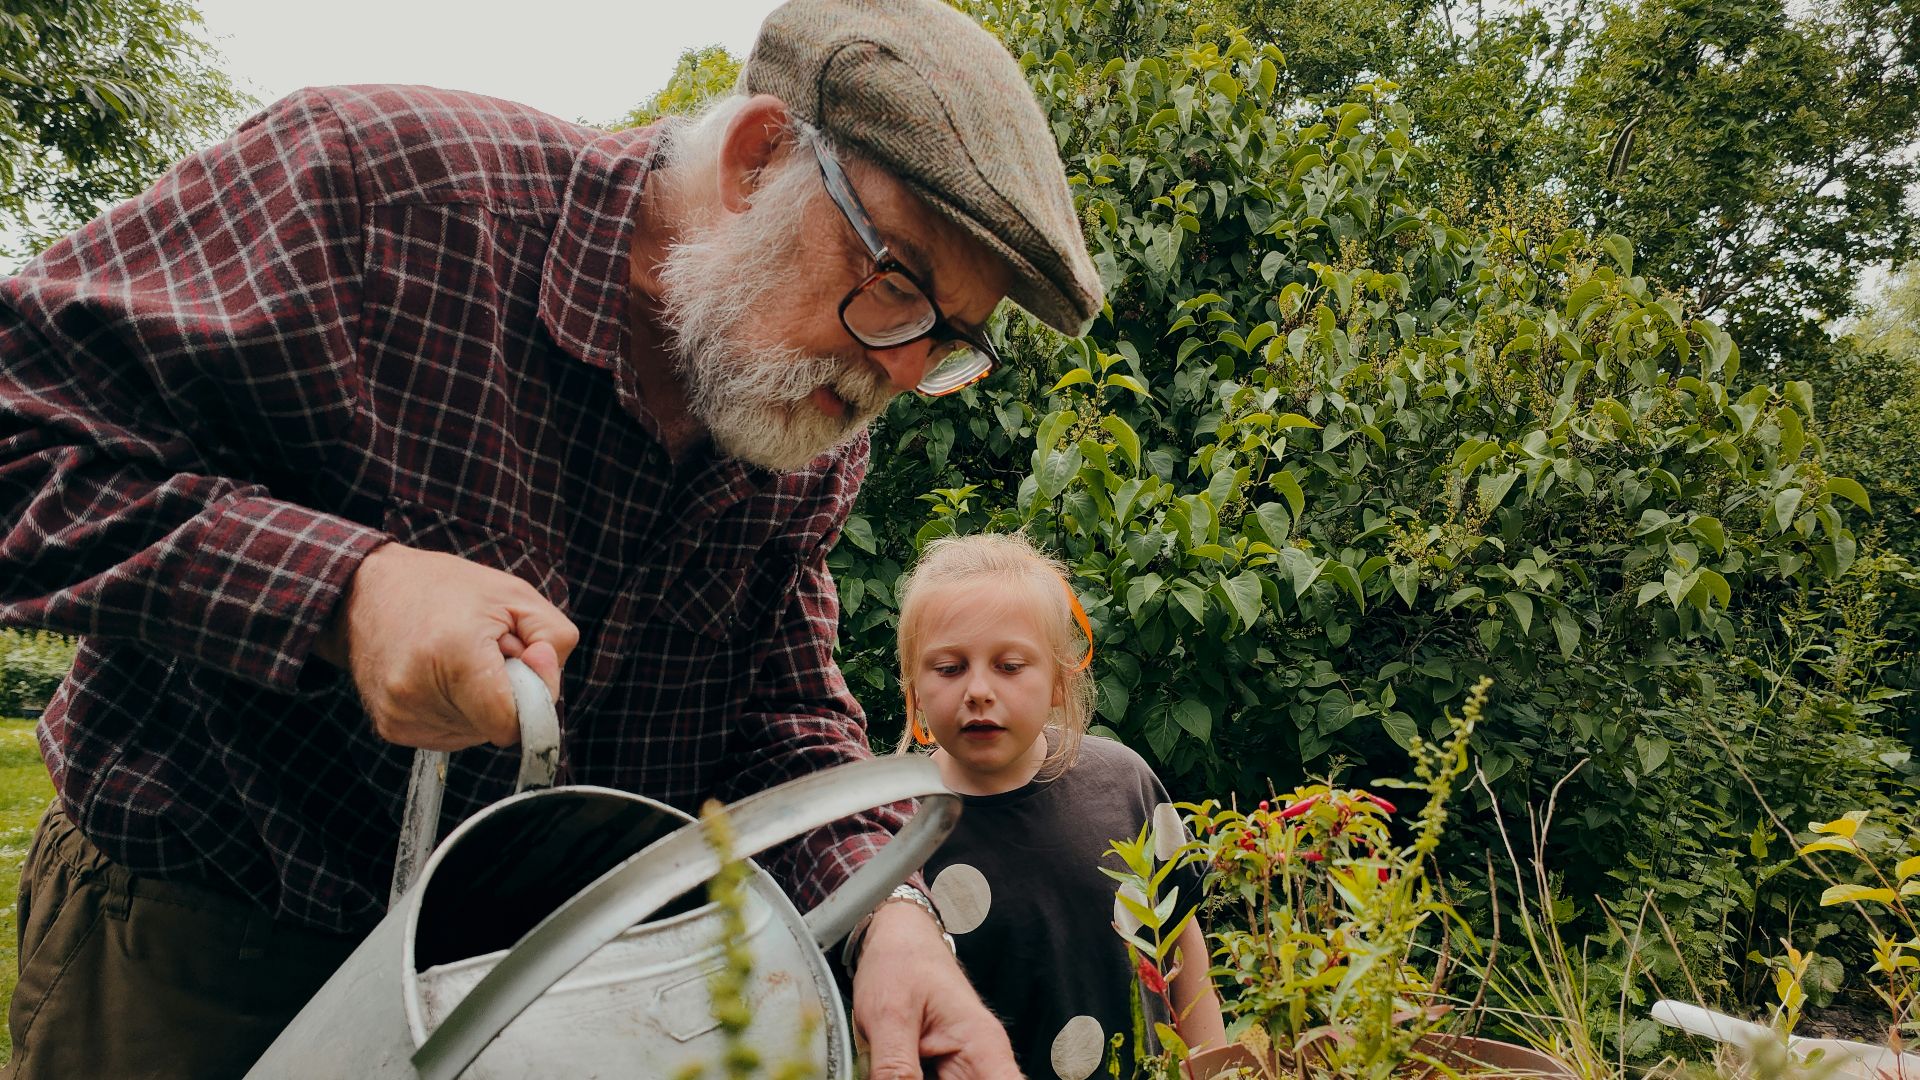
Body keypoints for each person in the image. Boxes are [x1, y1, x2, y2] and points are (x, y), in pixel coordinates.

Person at [0, 0, 1108, 1074]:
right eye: (901, 285)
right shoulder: (381, 195)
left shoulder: (801, 416)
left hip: (537, 991)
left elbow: (778, 713)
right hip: (199, 949)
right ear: (759, 161)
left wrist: (888, 917)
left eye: (950, 338)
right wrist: (348, 592)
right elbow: (24, 434)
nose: (905, 371)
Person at [891, 533, 1227, 1080]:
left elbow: (1182, 950)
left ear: (1057, 681)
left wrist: (1216, 1070)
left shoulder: (1122, 783)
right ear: (914, 687)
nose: (978, 690)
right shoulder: (891, 823)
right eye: (949, 668)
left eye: (1009, 665)